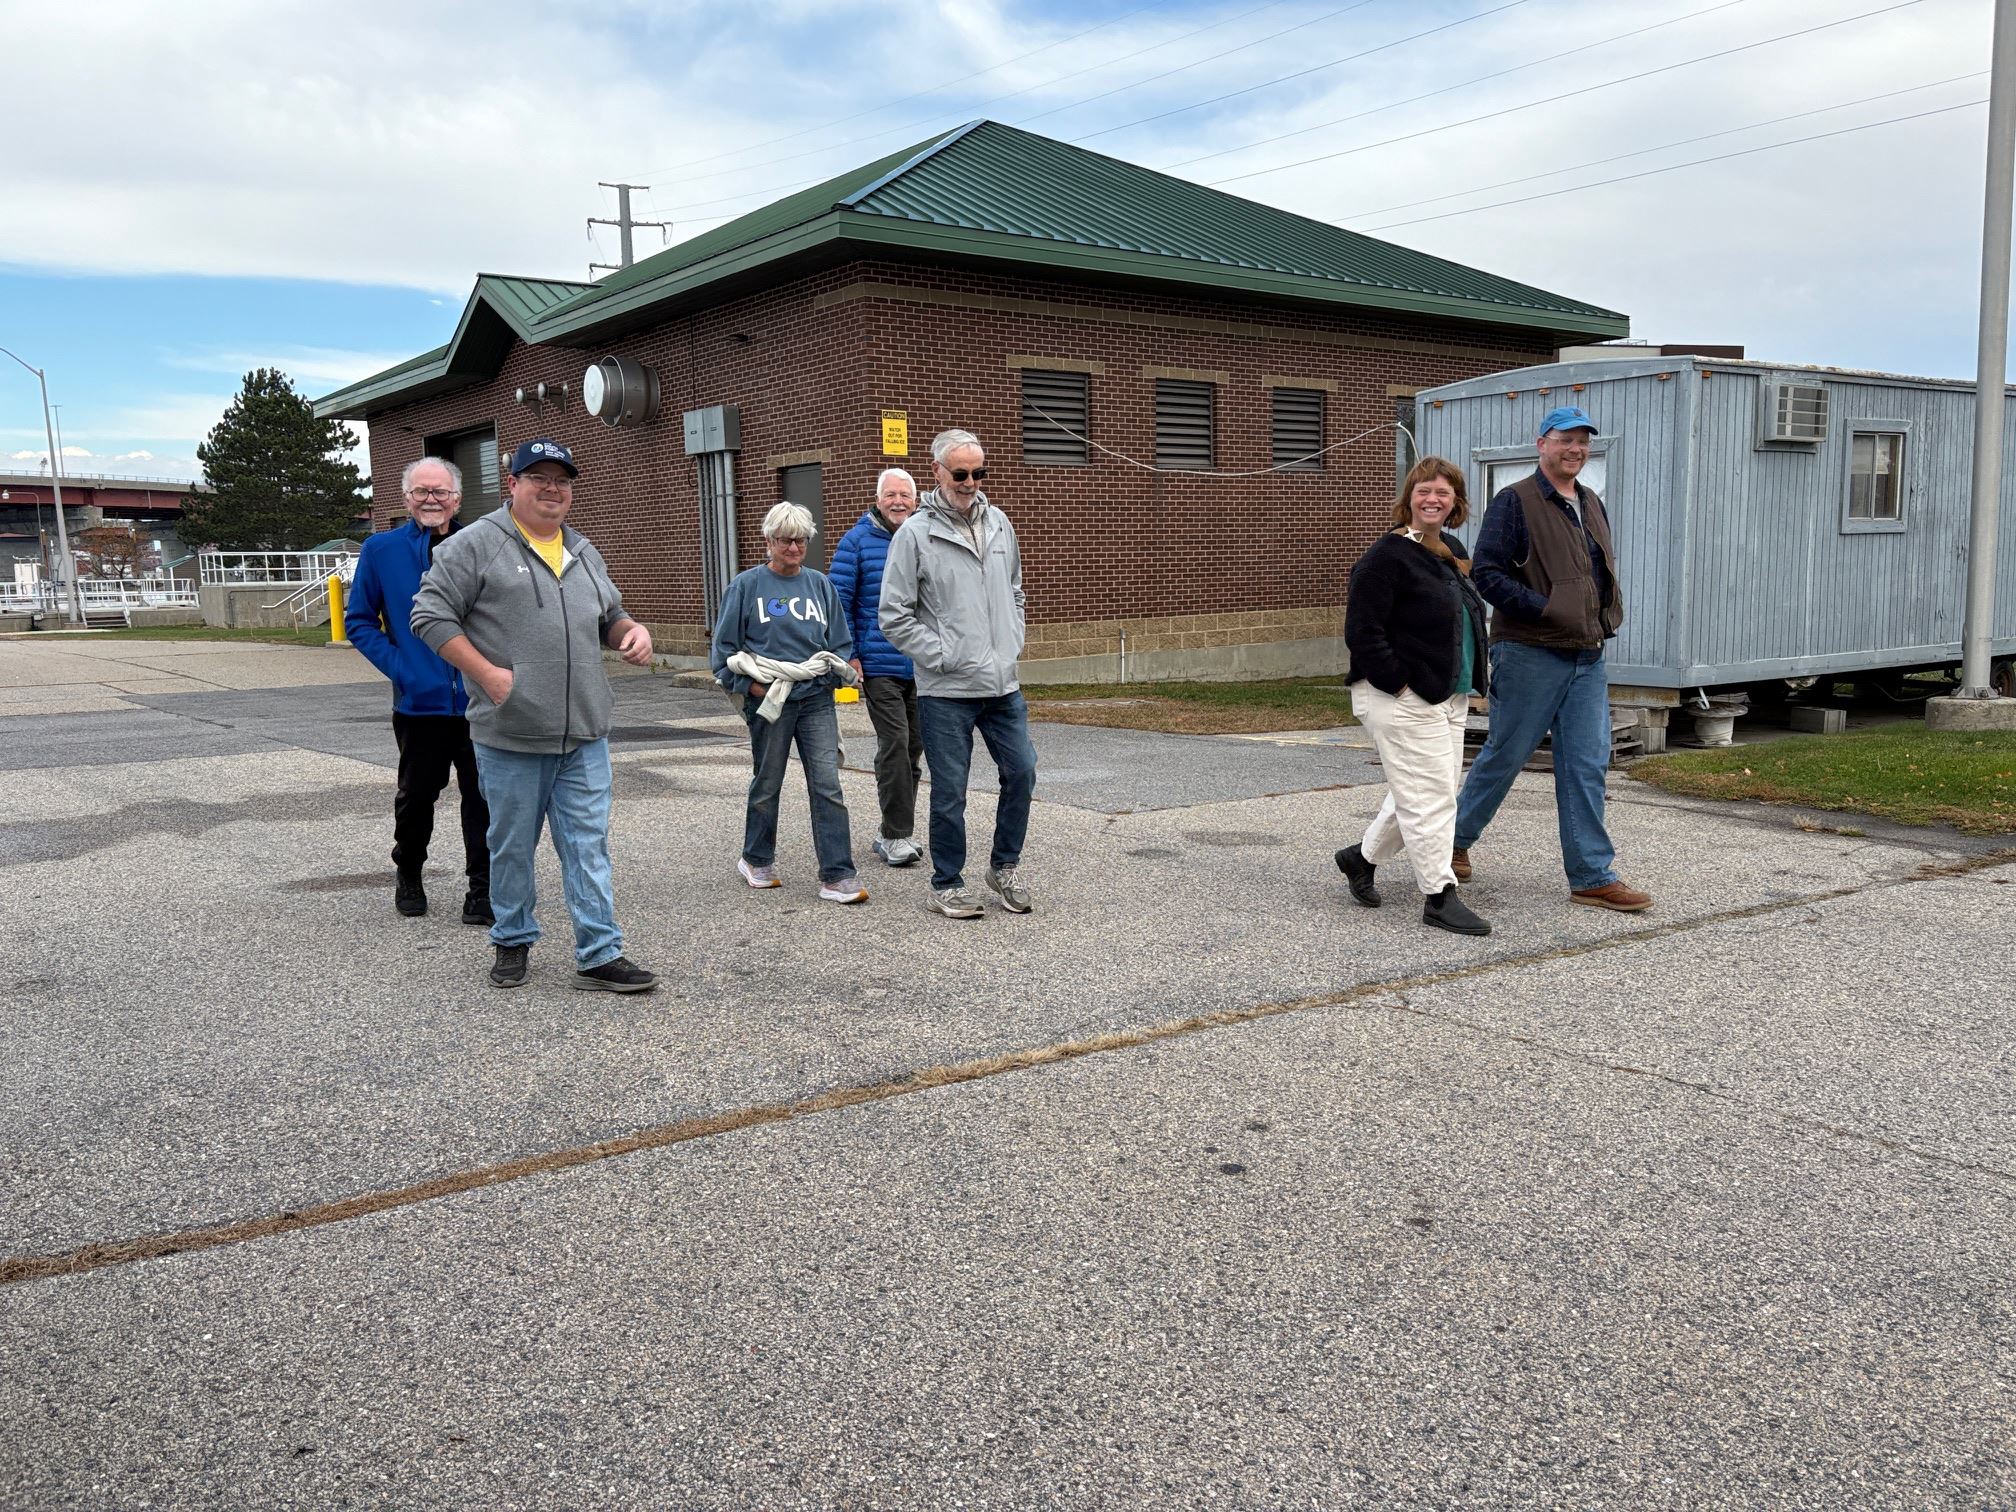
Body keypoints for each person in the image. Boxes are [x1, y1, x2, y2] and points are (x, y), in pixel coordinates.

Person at [410, 438, 661, 992]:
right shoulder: (474, 546)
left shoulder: (582, 550)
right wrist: (489, 675)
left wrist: (631, 632)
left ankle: (599, 952)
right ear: (513, 485)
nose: (552, 489)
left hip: (585, 733)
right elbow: (429, 615)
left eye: (562, 480)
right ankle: (512, 938)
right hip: (511, 734)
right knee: (511, 845)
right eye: (538, 478)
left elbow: (610, 614)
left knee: (588, 846)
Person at [1452, 405, 1651, 912]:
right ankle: (1451, 842)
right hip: (1530, 653)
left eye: (1583, 440)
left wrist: (1602, 616)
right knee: (1506, 755)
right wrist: (1546, 609)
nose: (1575, 449)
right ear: (1542, 443)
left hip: (1588, 655)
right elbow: (1488, 573)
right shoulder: (1514, 502)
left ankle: (1591, 875)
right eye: (1565, 439)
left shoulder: (1590, 502)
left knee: (1586, 764)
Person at [878, 427, 1037, 920]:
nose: (971, 482)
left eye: (979, 472)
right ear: (938, 472)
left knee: (1023, 771)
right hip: (946, 688)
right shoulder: (915, 534)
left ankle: (1003, 867)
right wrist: (942, 654)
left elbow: (1013, 588)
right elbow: (894, 615)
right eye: (961, 473)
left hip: (1001, 683)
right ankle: (947, 881)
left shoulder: (1000, 524)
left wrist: (1011, 639)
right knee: (951, 790)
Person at [1337, 458, 1491, 936]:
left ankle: (1359, 858)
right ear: (1409, 498)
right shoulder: (1387, 556)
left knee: (1429, 792)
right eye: (1425, 491)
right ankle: (1439, 896)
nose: (1433, 500)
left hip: (1447, 693)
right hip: (1401, 696)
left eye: (1444, 493)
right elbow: (1362, 632)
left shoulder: (1450, 550)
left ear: (1456, 503)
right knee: (1429, 798)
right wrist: (1399, 684)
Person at [344, 456, 491, 924]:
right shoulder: (382, 550)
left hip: (480, 701)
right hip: (419, 705)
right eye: (422, 492)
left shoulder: (482, 545)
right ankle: (409, 869)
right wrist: (402, 668)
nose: (432, 499)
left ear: (457, 499)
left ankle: (483, 890)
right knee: (416, 797)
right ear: (407, 498)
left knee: (485, 799)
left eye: (441, 492)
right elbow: (360, 621)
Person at [710, 501, 867, 905]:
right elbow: (724, 650)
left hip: (815, 699)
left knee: (828, 784)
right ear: (769, 541)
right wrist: (753, 688)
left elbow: (839, 642)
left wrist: (833, 674)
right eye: (785, 540)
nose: (794, 547)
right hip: (771, 701)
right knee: (768, 782)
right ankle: (756, 858)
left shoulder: (819, 584)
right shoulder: (745, 586)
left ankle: (838, 874)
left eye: (800, 540)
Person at [829, 467, 925, 868]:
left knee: (914, 748)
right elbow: (839, 603)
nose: (898, 501)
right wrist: (849, 654)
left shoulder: (925, 537)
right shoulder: (856, 543)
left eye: (905, 495)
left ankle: (894, 830)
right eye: (891, 494)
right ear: (878, 498)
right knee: (896, 744)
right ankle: (896, 834)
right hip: (878, 663)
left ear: (916, 501)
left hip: (922, 664)